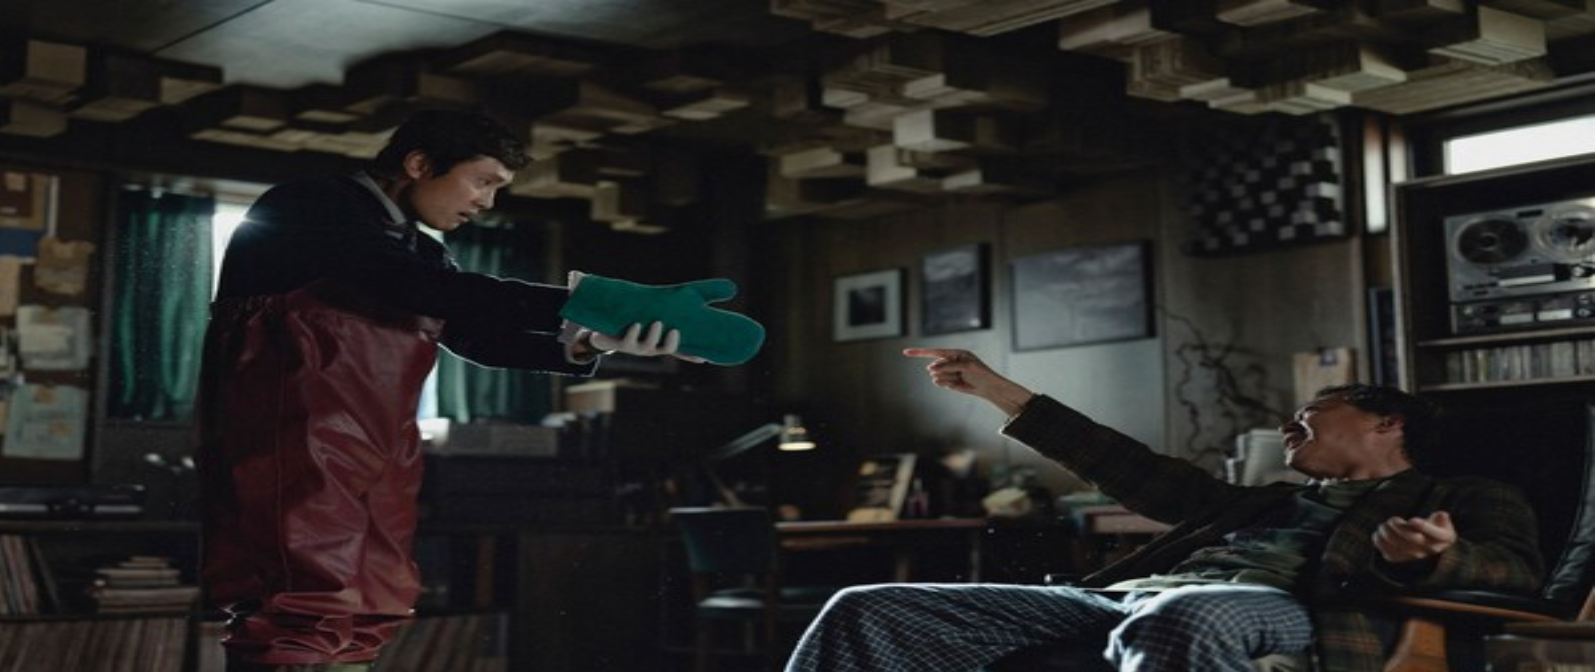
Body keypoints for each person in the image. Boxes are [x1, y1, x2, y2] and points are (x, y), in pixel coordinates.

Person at [195, 109, 702, 672]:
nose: (487, 202)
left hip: (380, 445)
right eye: (482, 180)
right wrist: (596, 302)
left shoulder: (423, 251)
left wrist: (591, 341)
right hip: (294, 433)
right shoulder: (311, 206)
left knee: (374, 599)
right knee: (300, 597)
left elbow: (476, 334)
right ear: (419, 164)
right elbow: (416, 286)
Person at [783, 347, 1544, 672]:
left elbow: (1515, 571)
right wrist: (998, 392)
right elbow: (1132, 470)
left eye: (1311, 413)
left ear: (1387, 423)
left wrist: (1436, 556)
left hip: (1295, 610)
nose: (1289, 426)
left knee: (1184, 616)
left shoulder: (1459, 494)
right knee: (868, 606)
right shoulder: (1263, 502)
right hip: (1123, 600)